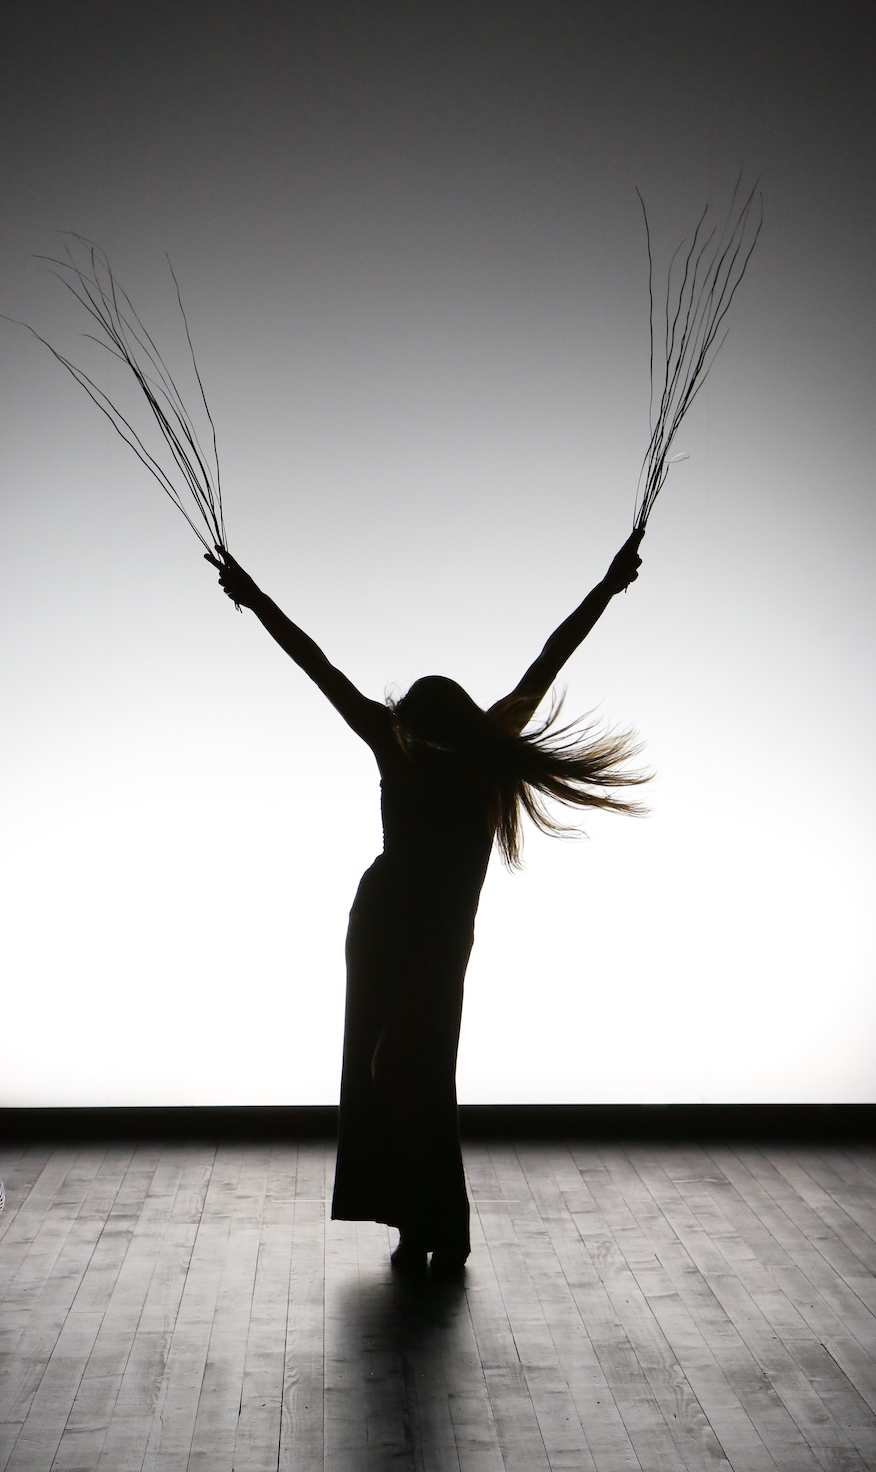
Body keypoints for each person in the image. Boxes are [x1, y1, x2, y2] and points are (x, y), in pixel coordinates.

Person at [206, 528, 647, 1273]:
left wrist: (254, 598)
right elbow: (547, 654)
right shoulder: (460, 744)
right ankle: (423, 1225)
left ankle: (435, 1223)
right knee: (403, 1071)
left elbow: (320, 666)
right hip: (396, 925)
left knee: (404, 1069)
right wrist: (606, 585)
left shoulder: (419, 743)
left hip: (421, 929)